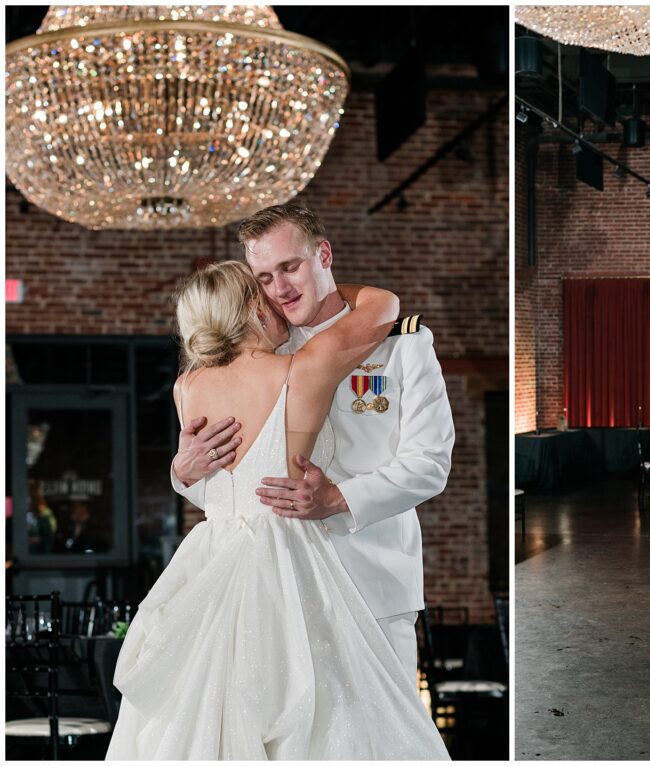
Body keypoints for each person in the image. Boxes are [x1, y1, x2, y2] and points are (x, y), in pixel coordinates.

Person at [106, 262, 449, 759]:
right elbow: (384, 305)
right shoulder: (299, 368)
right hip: (288, 559)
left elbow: (219, 486)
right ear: (250, 308)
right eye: (264, 288)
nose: (277, 298)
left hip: (212, 564)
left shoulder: (187, 387)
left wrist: (182, 473)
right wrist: (321, 279)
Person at [168, 205, 455, 691]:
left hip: (374, 582)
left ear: (323, 254)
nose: (279, 288)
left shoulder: (402, 344)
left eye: (289, 267)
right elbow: (241, 492)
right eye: (263, 276)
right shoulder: (260, 351)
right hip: (281, 592)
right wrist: (185, 473)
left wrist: (338, 500)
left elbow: (430, 464)